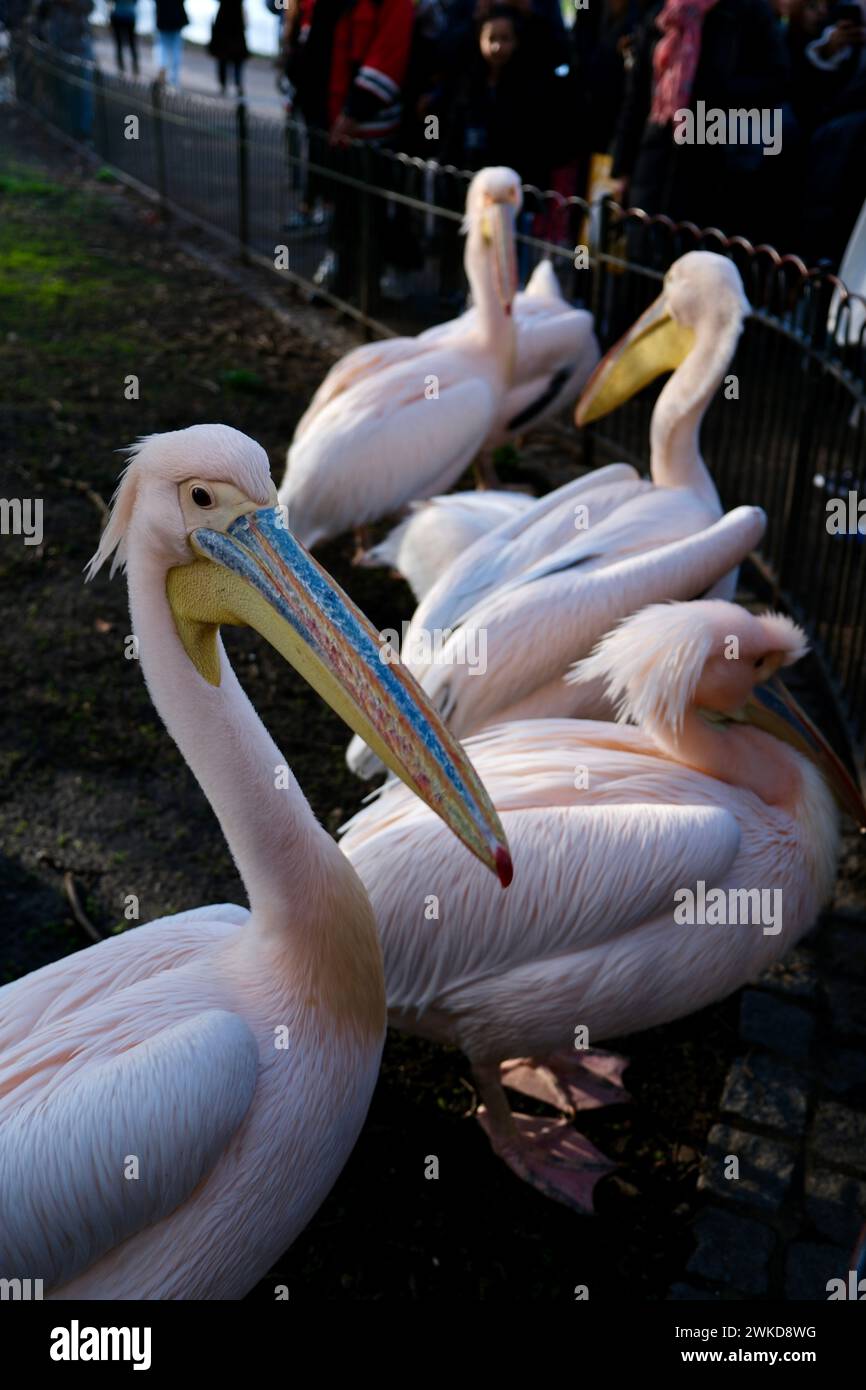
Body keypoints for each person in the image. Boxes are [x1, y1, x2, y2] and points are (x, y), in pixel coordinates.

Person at [612, 0, 790, 242]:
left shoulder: (750, 13)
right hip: (653, 165)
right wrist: (622, 170)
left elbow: (776, 84)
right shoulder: (661, 13)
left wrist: (718, 94)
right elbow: (636, 100)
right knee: (643, 261)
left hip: (715, 168)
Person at [209, 0, 248, 96]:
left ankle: (226, 84)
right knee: (235, 57)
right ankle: (236, 83)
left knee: (226, 56)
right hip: (234, 22)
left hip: (226, 21)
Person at [154, 0, 188, 86]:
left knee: (162, 47)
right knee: (175, 49)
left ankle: (163, 68)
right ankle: (174, 79)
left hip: (163, 16)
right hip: (176, 17)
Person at [109, 0, 138, 76]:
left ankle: (121, 68)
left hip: (118, 15)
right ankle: (135, 67)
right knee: (132, 44)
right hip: (130, 16)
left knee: (119, 44)